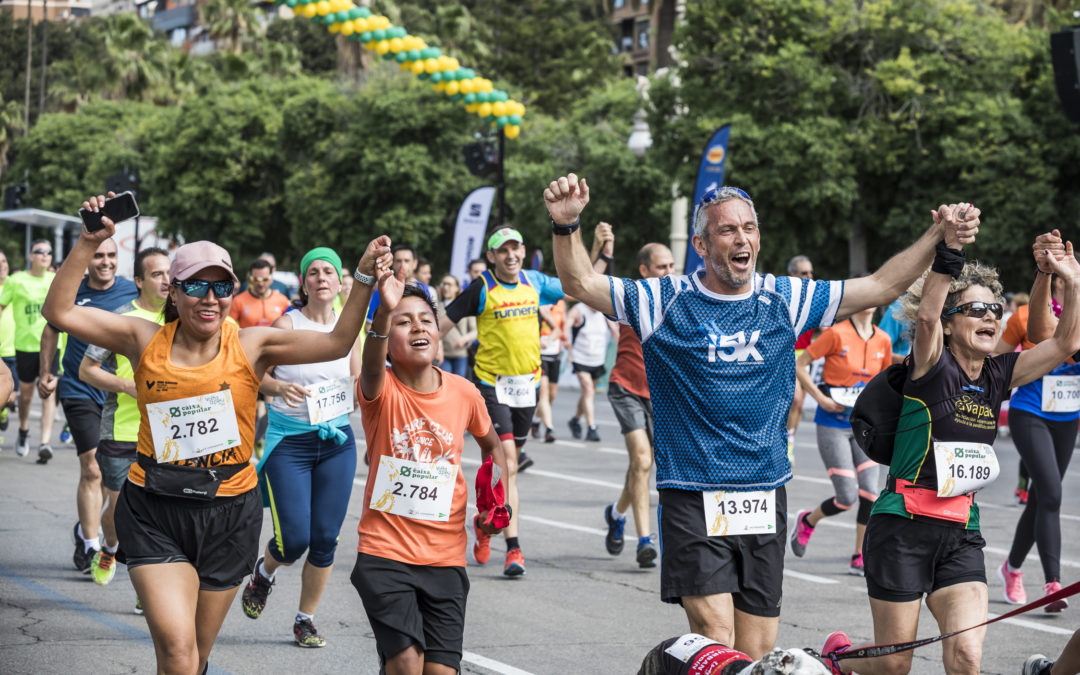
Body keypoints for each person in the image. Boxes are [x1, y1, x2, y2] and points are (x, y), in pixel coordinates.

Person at [545, 172, 977, 659]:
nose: (742, 238)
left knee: (756, 653)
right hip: (692, 493)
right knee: (716, 639)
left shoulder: (786, 298)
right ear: (701, 245)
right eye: (727, 230)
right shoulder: (663, 300)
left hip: (763, 493)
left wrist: (937, 236)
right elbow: (579, 281)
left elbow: (880, 285)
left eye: (749, 228)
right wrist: (567, 225)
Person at [42, 191, 389, 675]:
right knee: (180, 651)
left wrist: (365, 277)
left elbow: (337, 340)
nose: (210, 299)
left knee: (194, 657)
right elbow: (58, 313)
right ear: (173, 291)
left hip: (229, 513)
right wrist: (88, 242)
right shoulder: (141, 337)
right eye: (197, 286)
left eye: (222, 288)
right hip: (156, 509)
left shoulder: (253, 342)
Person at [823, 225, 1080, 675]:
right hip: (902, 528)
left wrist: (1071, 281)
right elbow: (924, 318)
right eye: (975, 309)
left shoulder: (999, 374)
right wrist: (951, 251)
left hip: (961, 535)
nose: (989, 317)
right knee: (894, 664)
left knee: (966, 657)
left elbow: (1065, 343)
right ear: (948, 320)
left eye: (995, 310)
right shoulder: (930, 364)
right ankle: (835, 661)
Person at [351, 268, 508, 675]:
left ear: (438, 333)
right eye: (404, 322)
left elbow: (492, 447)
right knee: (406, 663)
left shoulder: (464, 391)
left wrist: (494, 502)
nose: (417, 327)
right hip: (385, 552)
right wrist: (384, 313)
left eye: (425, 320)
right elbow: (370, 361)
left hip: (445, 557)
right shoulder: (379, 388)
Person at [440, 224, 610, 577]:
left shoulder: (535, 282)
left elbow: (581, 283)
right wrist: (416, 349)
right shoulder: (482, 287)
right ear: (492, 257)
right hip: (491, 385)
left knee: (502, 470)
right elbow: (444, 321)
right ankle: (514, 549)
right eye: (503, 250)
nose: (511, 255)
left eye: (516, 249)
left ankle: (486, 521)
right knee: (509, 464)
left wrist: (597, 250)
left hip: (527, 386)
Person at [240, 246, 364, 648]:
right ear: (305, 282)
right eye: (314, 272)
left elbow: (361, 384)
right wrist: (278, 387)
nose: (322, 277)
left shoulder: (351, 328)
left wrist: (361, 396)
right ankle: (265, 572)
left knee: (326, 537)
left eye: (329, 270)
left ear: (341, 279)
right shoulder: (287, 325)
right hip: (290, 442)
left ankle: (305, 619)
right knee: (294, 540)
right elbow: (252, 376)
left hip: (336, 441)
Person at [39, 236, 137, 571]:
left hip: (118, 397)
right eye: (98, 255)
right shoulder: (73, 291)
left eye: (111, 255)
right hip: (79, 387)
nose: (105, 261)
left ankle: (89, 527)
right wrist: (47, 371)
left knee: (117, 482)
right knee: (92, 467)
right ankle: (92, 545)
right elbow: (51, 329)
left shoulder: (130, 292)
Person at [78, 247, 170, 589]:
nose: (166, 280)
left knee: (162, 514)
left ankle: (154, 589)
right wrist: (128, 387)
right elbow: (87, 370)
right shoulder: (120, 320)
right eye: (157, 274)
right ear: (139, 281)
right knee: (120, 512)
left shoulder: (183, 318)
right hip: (123, 430)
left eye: (169, 273)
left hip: (168, 433)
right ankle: (109, 546)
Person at [996, 229, 1078, 612]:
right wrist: (1044, 271)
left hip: (1067, 415)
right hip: (1030, 411)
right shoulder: (1029, 313)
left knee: (1044, 497)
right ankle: (1052, 584)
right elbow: (1042, 334)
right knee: (1051, 492)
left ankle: (1012, 568)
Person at [789, 304, 892, 575]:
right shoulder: (836, 334)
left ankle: (859, 555)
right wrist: (820, 397)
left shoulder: (883, 339)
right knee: (846, 496)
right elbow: (799, 364)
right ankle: (808, 521)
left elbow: (885, 382)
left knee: (870, 491)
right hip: (832, 424)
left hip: (865, 426)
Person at [603, 243, 674, 569]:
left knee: (641, 466)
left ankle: (617, 514)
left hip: (661, 395)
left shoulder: (682, 301)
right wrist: (600, 251)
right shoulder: (628, 297)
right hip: (626, 388)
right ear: (644, 270)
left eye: (672, 266)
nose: (669, 272)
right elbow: (586, 281)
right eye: (662, 267)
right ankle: (645, 541)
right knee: (643, 461)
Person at [0, 239, 57, 460]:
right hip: (25, 345)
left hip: (52, 345)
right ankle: (23, 430)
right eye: (40, 251)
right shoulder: (16, 281)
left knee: (49, 391)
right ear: (31, 256)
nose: (45, 255)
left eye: (49, 252)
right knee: (25, 396)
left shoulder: (55, 279)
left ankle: (45, 442)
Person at [565, 300, 618, 442]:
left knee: (588, 393)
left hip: (597, 360)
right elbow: (567, 327)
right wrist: (567, 342)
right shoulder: (578, 310)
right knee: (588, 390)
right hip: (580, 358)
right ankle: (591, 428)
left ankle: (575, 420)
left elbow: (614, 330)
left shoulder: (603, 311)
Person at [787, 255, 815, 461]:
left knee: (798, 403)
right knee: (794, 399)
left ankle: (790, 441)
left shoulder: (815, 298)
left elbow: (826, 327)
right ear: (793, 275)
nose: (810, 276)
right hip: (784, 353)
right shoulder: (784, 296)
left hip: (804, 355)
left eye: (811, 272)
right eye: (805, 273)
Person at [533, 299, 567, 444]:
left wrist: (564, 340)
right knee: (544, 392)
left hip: (554, 352)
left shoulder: (561, 304)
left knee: (552, 394)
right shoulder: (537, 304)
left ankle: (535, 420)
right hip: (539, 354)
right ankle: (549, 428)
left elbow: (561, 327)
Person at [230, 258, 291, 328]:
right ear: (250, 278)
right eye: (256, 279)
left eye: (265, 279)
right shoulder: (238, 301)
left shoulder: (282, 300)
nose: (261, 284)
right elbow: (229, 327)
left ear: (271, 278)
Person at [438, 275, 475, 379]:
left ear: (457, 288)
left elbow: (475, 331)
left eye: (449, 284)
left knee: (459, 386)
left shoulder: (466, 306)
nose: (445, 287)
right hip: (443, 356)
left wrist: (465, 339)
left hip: (461, 355)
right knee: (446, 385)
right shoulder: (436, 307)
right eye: (443, 284)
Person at [0, 249, 17, 432]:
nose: (1, 265)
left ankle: (3, 410)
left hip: (15, 348)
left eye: (3, 261)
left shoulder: (16, 284)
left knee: (12, 395)